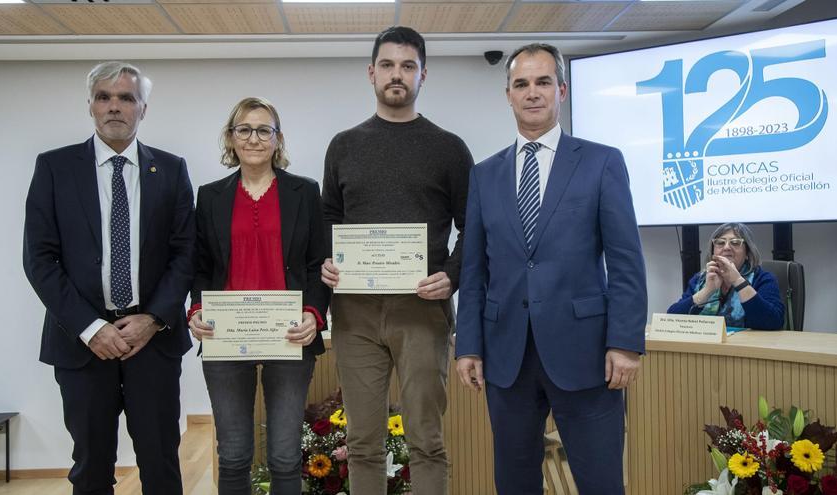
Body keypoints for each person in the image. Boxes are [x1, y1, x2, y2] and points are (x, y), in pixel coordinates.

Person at [454, 43, 647, 495]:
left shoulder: (602, 161)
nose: (533, 93)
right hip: (507, 358)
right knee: (515, 481)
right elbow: (475, 268)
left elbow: (625, 261)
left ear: (561, 90)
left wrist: (625, 341)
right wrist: (469, 345)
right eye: (521, 84)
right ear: (508, 95)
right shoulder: (484, 175)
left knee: (600, 480)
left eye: (543, 82)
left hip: (586, 353)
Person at [23, 61, 194, 495]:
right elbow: (40, 260)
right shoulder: (54, 168)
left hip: (152, 344)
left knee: (160, 463)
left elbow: (185, 254)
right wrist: (91, 327)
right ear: (91, 107)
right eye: (104, 97)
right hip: (81, 346)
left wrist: (153, 319)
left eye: (126, 98)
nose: (114, 106)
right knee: (90, 466)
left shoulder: (171, 170)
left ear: (143, 109)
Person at [320, 26, 473, 495]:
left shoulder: (449, 148)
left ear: (423, 74)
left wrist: (451, 276)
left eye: (408, 66)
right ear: (371, 73)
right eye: (387, 65)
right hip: (355, 315)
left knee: (426, 439)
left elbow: (474, 230)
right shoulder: (343, 145)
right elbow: (330, 217)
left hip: (422, 312)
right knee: (362, 441)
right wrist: (328, 261)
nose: (397, 74)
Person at [187, 97, 328, 494]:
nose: (253, 138)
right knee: (232, 455)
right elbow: (200, 266)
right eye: (244, 129)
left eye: (264, 130)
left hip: (290, 338)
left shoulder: (304, 191)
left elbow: (318, 261)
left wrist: (313, 314)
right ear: (230, 138)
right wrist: (196, 308)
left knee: (285, 455)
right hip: (226, 339)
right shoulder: (210, 196)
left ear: (277, 139)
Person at [667, 223, 784, 329]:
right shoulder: (700, 279)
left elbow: (774, 322)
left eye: (735, 242)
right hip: (705, 348)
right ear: (713, 252)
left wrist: (738, 281)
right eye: (720, 242)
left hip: (747, 349)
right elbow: (672, 319)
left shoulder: (763, 278)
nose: (727, 247)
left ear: (748, 253)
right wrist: (707, 290)